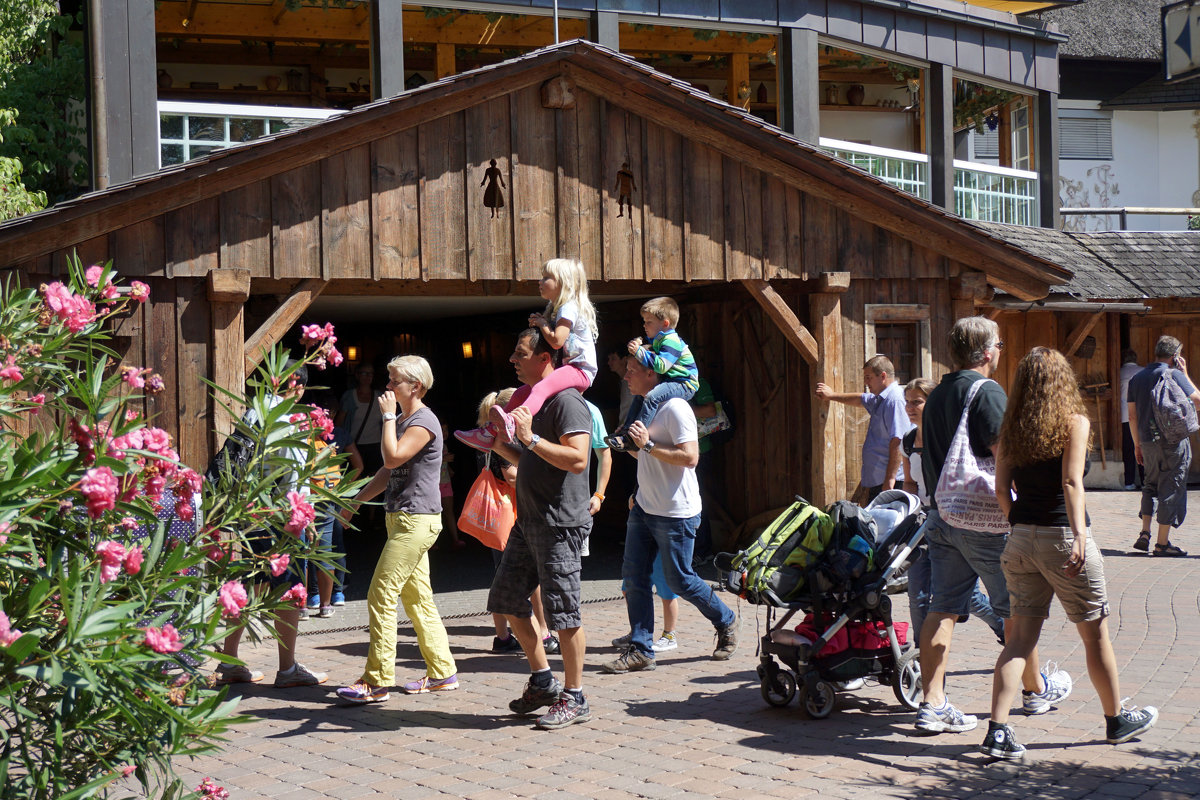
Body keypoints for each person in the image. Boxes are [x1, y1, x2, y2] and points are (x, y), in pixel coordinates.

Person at [982, 347, 1158, 759]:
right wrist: (1078, 535)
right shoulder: (1074, 422)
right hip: (1062, 534)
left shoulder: (1012, 428)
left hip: (1021, 537)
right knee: (1094, 633)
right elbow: (1072, 483)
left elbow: (999, 489)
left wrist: (1019, 523)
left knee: (1019, 640)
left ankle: (998, 730)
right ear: (1065, 382)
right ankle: (1116, 721)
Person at [914, 316, 1069, 735]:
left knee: (942, 607)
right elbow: (1007, 456)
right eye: (999, 344)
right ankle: (1035, 692)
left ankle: (932, 703)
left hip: (943, 514)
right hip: (985, 520)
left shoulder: (940, 392)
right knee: (1020, 612)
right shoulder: (987, 392)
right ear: (985, 352)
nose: (1001, 351)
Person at [602, 357, 738, 674]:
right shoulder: (643, 406)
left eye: (632, 371)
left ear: (653, 373)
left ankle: (726, 620)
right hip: (645, 506)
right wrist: (632, 449)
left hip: (677, 512)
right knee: (634, 579)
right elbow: (641, 454)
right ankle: (641, 649)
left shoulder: (676, 408)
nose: (626, 377)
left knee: (681, 580)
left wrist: (646, 444)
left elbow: (689, 457)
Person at [487, 328, 594, 730]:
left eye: (520, 353)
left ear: (546, 359)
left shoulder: (567, 402)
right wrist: (500, 445)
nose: (513, 360)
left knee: (563, 614)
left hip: (559, 524)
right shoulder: (535, 400)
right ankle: (544, 681)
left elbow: (578, 459)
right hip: (528, 520)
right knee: (507, 599)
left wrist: (530, 438)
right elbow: (531, 458)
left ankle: (575, 696)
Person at [336, 355, 457, 704]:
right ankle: (442, 672)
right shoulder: (405, 420)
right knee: (417, 599)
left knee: (380, 593)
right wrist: (356, 501)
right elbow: (388, 472)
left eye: (393, 381)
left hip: (415, 521)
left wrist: (387, 416)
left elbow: (391, 457)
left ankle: (376, 681)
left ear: (415, 386)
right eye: (387, 380)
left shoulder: (422, 421)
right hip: (401, 518)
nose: (387, 387)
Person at [215, 361, 328, 689]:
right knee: (290, 591)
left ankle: (229, 664)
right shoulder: (288, 418)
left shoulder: (255, 411)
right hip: (278, 518)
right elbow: (290, 473)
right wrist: (300, 517)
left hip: (249, 515)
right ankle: (288, 668)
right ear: (299, 387)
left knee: (246, 587)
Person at [901, 377, 1005, 645]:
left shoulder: (948, 439)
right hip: (921, 523)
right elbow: (909, 483)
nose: (910, 408)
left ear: (932, 402)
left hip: (951, 517)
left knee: (966, 598)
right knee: (918, 596)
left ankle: (1004, 627)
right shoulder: (908, 440)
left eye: (917, 402)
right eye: (907, 402)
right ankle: (920, 659)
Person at [456, 258, 598, 451]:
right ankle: (489, 431)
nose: (540, 282)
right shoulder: (559, 308)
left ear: (564, 282)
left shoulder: (569, 307)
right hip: (570, 368)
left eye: (547, 277)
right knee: (521, 392)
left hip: (580, 370)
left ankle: (512, 423)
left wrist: (543, 324)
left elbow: (557, 341)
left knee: (540, 387)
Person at [475, 388, 559, 657]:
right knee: (526, 578)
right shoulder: (503, 439)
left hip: (502, 514)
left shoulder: (490, 437)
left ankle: (502, 637)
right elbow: (511, 476)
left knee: (502, 576)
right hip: (510, 514)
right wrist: (543, 467)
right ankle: (542, 634)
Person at [1127, 335, 1199, 557]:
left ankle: (1145, 533)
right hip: (1173, 442)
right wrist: (1185, 373)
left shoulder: (1137, 379)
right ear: (1175, 356)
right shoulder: (1175, 374)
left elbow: (1132, 417)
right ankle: (1162, 543)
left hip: (1147, 441)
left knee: (1150, 484)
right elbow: (1197, 400)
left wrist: (1137, 445)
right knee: (1172, 486)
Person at [607, 297, 699, 452]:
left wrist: (639, 351)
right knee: (639, 397)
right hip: (673, 380)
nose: (644, 325)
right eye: (644, 321)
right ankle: (626, 433)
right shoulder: (659, 340)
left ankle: (633, 437)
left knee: (651, 397)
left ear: (665, 323)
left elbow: (661, 366)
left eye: (649, 321)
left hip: (684, 383)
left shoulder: (671, 340)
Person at [815, 355, 912, 502]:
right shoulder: (880, 399)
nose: (866, 382)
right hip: (881, 481)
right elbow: (860, 398)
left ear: (883, 376)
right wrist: (832, 396)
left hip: (892, 483)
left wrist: (890, 479)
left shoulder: (894, 400)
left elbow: (898, 441)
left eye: (869, 377)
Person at [1119, 349, 1143, 491]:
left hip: (1124, 415)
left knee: (1128, 449)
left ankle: (1129, 481)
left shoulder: (1119, 373)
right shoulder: (1143, 372)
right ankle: (1146, 480)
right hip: (1141, 415)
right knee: (1143, 447)